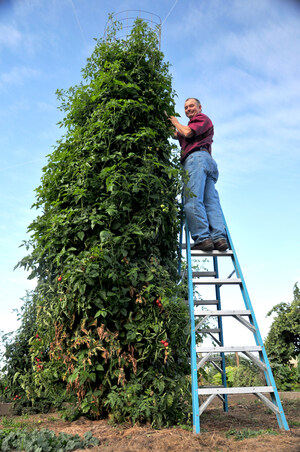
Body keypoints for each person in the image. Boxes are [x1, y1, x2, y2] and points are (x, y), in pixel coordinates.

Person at [168, 98, 228, 251]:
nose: (188, 109)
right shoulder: (193, 126)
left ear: (199, 107)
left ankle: (203, 238)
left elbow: (186, 132)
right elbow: (178, 134)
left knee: (193, 199)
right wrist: (167, 122)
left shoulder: (200, 119)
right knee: (210, 201)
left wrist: (175, 121)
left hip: (196, 160)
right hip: (207, 161)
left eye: (191, 106)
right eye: (186, 107)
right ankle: (219, 238)